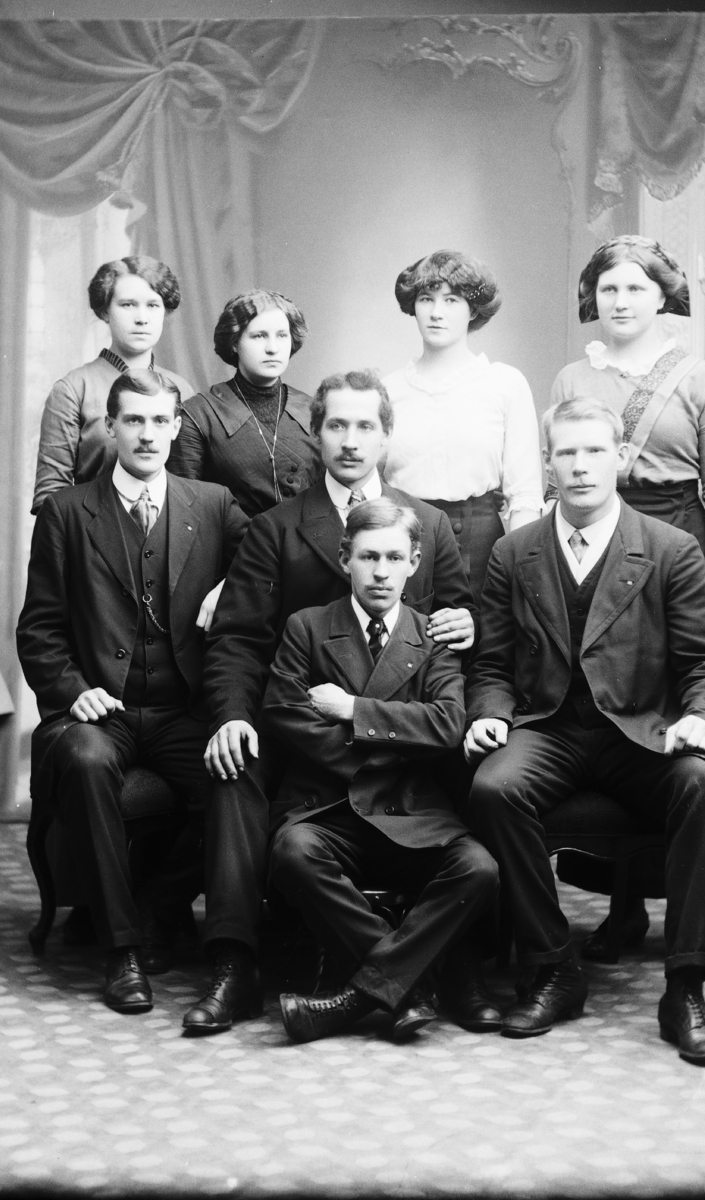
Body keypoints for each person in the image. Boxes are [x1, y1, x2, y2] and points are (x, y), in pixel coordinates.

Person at [181, 368, 490, 1035]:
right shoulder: (276, 527)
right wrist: (232, 717)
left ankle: (461, 965)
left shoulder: (430, 526)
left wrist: (467, 624)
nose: (350, 440)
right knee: (234, 766)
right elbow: (237, 639)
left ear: (386, 435)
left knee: (477, 772)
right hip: (299, 723)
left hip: (400, 736)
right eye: (336, 425)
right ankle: (235, 963)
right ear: (315, 434)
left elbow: (451, 628)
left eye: (365, 426)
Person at [464, 397, 705, 1065]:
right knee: (493, 788)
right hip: (550, 729)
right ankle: (554, 967)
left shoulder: (670, 549)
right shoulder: (514, 552)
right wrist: (490, 712)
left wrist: (702, 717)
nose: (581, 465)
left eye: (594, 451)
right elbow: (491, 663)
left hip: (640, 734)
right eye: (567, 452)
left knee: (702, 783)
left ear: (620, 457)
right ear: (549, 464)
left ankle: (686, 989)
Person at [17, 370, 249, 1015]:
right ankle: (121, 951)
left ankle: (158, 907)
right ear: (111, 428)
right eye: (134, 421)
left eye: (159, 421)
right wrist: (72, 690)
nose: (148, 434)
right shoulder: (67, 512)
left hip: (182, 710)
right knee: (87, 760)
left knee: (241, 777)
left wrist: (229, 587)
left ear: (176, 428)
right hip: (99, 712)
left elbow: (268, 562)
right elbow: (38, 628)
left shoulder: (213, 504)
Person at [550, 234, 705, 960]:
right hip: (597, 547)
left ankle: (687, 914)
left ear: (662, 296)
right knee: (609, 709)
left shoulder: (699, 378)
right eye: (608, 289)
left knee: (672, 721)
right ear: (592, 299)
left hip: (678, 548)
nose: (621, 301)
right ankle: (621, 905)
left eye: (636, 288)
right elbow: (556, 485)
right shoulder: (573, 376)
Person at [267, 498, 499, 1043]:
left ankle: (358, 998)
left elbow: (447, 723)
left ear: (415, 563)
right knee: (293, 852)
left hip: (409, 811)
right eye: (368, 557)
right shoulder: (308, 627)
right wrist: (397, 742)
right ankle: (410, 989)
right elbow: (285, 713)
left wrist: (353, 709)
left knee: (478, 869)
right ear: (344, 558)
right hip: (331, 808)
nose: (381, 572)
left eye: (394, 558)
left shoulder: (431, 636)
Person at [382, 249, 543, 602]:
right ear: (413, 306)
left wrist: (522, 568)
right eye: (426, 299)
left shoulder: (504, 384)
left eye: (452, 300)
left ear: (473, 309)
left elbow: (524, 493)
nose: (436, 312)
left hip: (482, 544)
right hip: (401, 538)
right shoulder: (388, 390)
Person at [32, 256, 194, 515]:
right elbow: (50, 498)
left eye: (153, 305)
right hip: (91, 532)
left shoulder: (182, 389)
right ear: (105, 311)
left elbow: (192, 486)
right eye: (128, 305)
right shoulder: (73, 389)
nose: (142, 318)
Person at [167, 288, 322, 519]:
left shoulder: (313, 411)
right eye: (259, 336)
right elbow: (184, 512)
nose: (273, 348)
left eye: (282, 335)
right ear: (234, 343)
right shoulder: (197, 415)